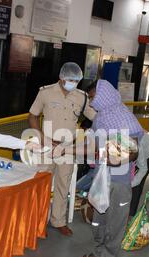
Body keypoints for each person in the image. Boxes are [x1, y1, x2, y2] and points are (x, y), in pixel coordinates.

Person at [77, 79, 143, 257]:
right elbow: (94, 146)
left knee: (115, 221)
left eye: (92, 97)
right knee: (99, 218)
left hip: (119, 181)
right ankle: (98, 251)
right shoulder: (101, 117)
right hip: (101, 177)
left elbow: (132, 151)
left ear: (103, 95)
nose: (91, 102)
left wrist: (115, 157)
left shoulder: (126, 118)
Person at [27, 62, 97, 237]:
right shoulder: (45, 92)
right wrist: (43, 138)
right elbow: (32, 115)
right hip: (47, 145)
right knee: (41, 184)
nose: (73, 83)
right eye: (70, 80)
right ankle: (37, 221)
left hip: (68, 147)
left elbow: (95, 116)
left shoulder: (81, 96)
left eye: (77, 80)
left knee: (63, 185)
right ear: (61, 77)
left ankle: (58, 221)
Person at [129, 132, 149, 218]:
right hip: (139, 149)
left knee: (137, 184)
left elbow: (143, 169)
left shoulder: (138, 148)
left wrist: (130, 184)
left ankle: (131, 215)